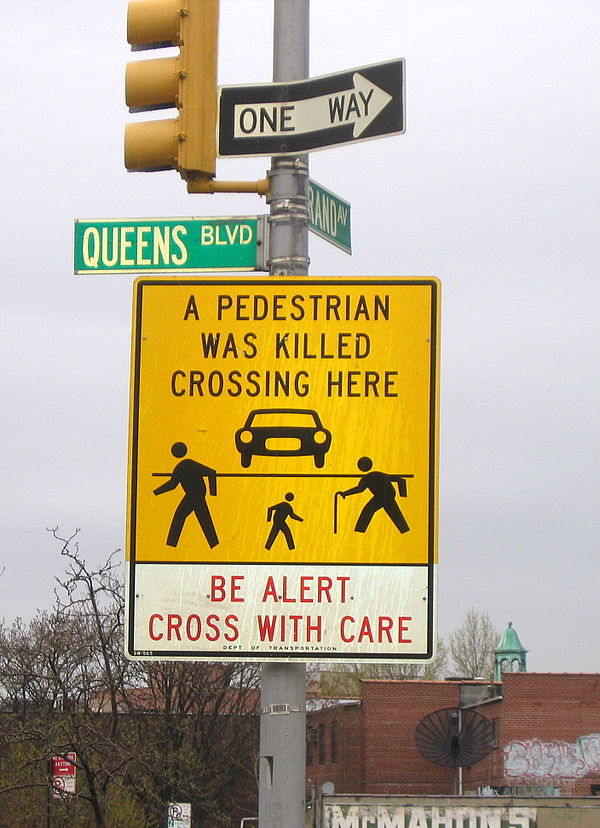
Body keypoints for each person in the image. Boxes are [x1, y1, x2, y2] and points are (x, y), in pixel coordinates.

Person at [153, 442, 219, 548]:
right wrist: (156, 492)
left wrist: (213, 493)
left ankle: (171, 544)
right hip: (195, 494)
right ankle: (214, 544)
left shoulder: (187, 464)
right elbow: (172, 485)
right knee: (204, 518)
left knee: (180, 515)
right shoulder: (180, 467)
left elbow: (211, 472)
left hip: (195, 494)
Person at [339, 456, 409, 534]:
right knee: (394, 513)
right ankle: (405, 530)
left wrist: (403, 495)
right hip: (389, 494)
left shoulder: (370, 477)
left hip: (383, 495)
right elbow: (359, 489)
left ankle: (359, 531)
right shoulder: (371, 477)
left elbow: (359, 489)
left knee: (368, 510)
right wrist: (345, 493)